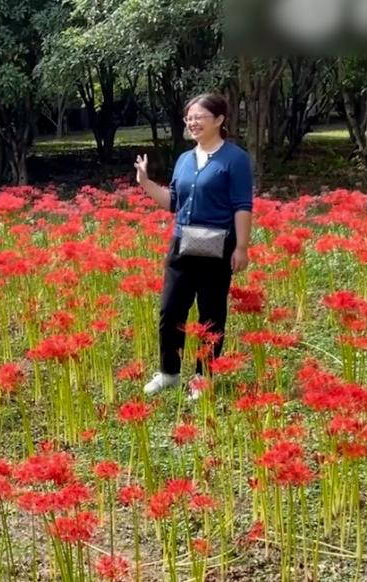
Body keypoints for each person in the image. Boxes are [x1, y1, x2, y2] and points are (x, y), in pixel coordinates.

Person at [133, 93, 254, 399]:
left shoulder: (235, 159)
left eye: (199, 116)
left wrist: (241, 247)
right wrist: (146, 183)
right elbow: (173, 202)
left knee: (211, 314)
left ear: (219, 120)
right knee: (170, 309)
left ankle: (204, 377)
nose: (192, 122)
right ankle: (169, 373)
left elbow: (242, 205)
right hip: (182, 243)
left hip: (218, 245)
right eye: (189, 117)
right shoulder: (185, 160)